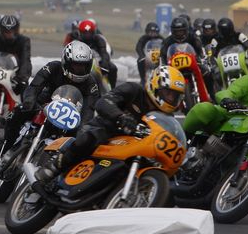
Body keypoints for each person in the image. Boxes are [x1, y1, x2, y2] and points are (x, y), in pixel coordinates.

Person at [33, 65, 186, 184]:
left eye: (175, 96)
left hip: (133, 145)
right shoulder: (134, 90)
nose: (171, 99)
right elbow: (103, 102)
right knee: (90, 137)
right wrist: (120, 116)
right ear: (156, 85)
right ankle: (55, 167)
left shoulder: (166, 117)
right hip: (105, 129)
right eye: (169, 93)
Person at [0, 41, 104, 161]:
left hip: (70, 117)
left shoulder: (91, 84)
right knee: (16, 113)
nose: (80, 69)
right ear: (66, 61)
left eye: (83, 66)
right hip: (44, 104)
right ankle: (6, 144)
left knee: (80, 142)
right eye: (76, 65)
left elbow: (89, 109)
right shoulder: (53, 67)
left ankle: (59, 168)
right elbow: (34, 86)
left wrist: (83, 128)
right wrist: (30, 100)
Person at [182, 48, 248, 151]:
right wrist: (227, 100)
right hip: (228, 121)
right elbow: (227, 93)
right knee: (203, 109)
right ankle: (182, 141)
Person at [63, 19, 118, 88]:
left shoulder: (99, 39)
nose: (87, 35)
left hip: (98, 63)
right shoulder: (76, 42)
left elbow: (104, 52)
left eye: (90, 33)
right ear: (80, 32)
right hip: (83, 63)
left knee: (113, 68)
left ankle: (112, 89)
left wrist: (104, 63)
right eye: (85, 33)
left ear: (94, 32)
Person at [0, 14, 32, 93]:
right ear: (1, 31)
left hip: (16, 76)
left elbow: (25, 61)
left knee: (24, 92)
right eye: (6, 32)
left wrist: (22, 78)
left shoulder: (24, 41)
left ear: (16, 31)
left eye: (11, 32)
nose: (9, 34)